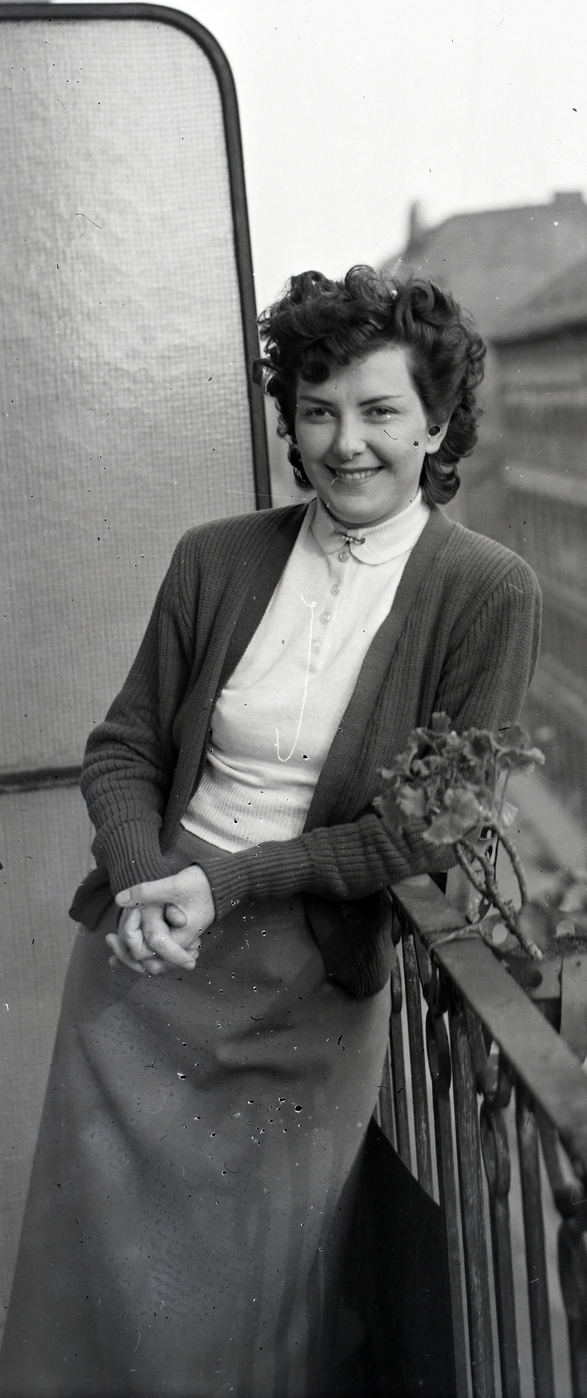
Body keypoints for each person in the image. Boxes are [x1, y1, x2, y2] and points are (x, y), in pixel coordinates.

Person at [0, 267, 542, 1398]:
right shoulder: (217, 556)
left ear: (436, 423)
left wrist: (231, 883)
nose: (346, 443)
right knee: (97, 1293)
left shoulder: (487, 591)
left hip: (304, 994)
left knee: (249, 1310)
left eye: (381, 411)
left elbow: (423, 836)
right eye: (317, 409)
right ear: (289, 419)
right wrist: (150, 883)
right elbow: (123, 749)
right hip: (144, 973)